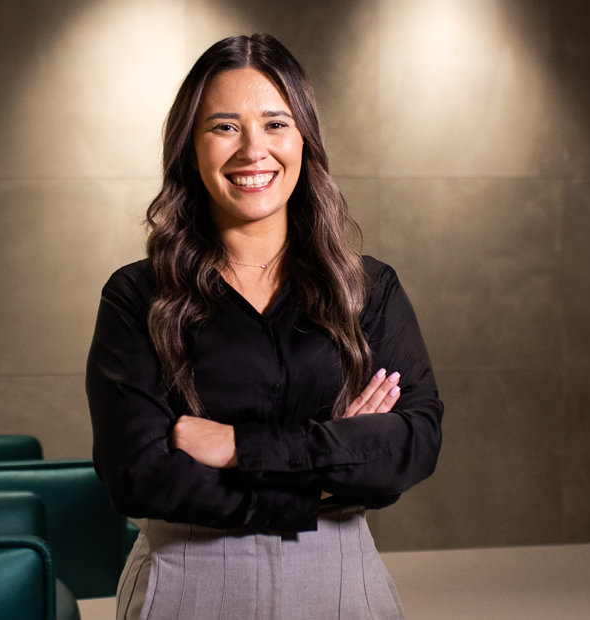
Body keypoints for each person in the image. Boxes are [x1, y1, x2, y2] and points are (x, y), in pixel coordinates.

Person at [86, 33, 442, 620]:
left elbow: (412, 443)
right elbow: (137, 475)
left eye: (276, 124)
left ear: (304, 139)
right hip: (188, 577)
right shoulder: (137, 295)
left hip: (340, 575)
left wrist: (235, 446)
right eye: (224, 126)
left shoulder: (368, 290)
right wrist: (333, 464)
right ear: (190, 148)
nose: (254, 150)